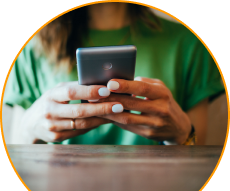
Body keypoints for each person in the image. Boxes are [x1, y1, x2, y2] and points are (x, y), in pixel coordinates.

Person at [3, 3, 225, 145]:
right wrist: (29, 127)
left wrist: (183, 134)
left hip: (158, 190)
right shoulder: (33, 47)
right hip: (60, 189)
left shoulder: (189, 43)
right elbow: (18, 151)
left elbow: (199, 155)